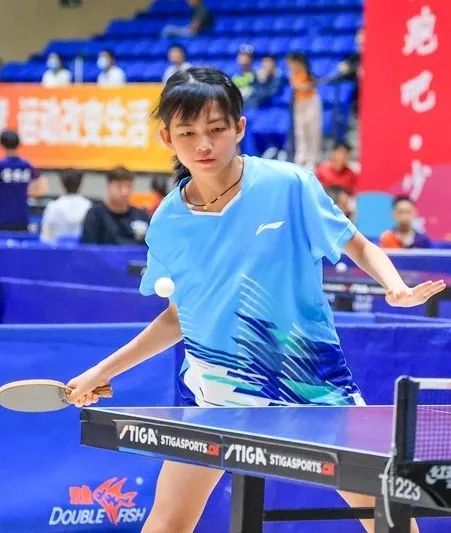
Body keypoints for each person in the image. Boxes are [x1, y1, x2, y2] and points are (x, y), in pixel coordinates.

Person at [66, 67, 441, 533]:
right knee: (167, 521)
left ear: (239, 127)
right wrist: (101, 371)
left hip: (312, 386)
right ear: (167, 138)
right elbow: (178, 318)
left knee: (386, 516)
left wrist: (394, 285)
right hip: (217, 392)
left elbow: (357, 244)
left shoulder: (289, 185)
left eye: (216, 129)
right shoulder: (167, 222)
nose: (203, 144)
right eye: (188, 133)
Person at [81, 166, 149, 245]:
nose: (125, 192)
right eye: (119, 186)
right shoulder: (95, 215)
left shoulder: (141, 216)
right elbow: (88, 248)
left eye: (128, 186)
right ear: (108, 186)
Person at [0, 129, 45, 230]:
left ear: (2, 144)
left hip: (2, 218)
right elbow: (42, 188)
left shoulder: (1, 166)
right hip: (22, 217)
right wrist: (24, 193)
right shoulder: (26, 165)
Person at [286, 51, 322, 170]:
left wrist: (307, 85)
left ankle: (313, 159)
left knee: (312, 130)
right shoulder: (292, 74)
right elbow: (297, 87)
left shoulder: (307, 72)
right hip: (299, 103)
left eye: (291, 63)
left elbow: (311, 84)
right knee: (300, 131)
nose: (290, 66)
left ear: (298, 62)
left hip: (311, 102)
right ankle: (301, 157)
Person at [40, 169, 91, 243]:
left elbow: (46, 237)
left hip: (57, 248)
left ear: (62, 183)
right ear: (81, 183)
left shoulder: (53, 207)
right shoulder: (88, 206)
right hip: (80, 249)